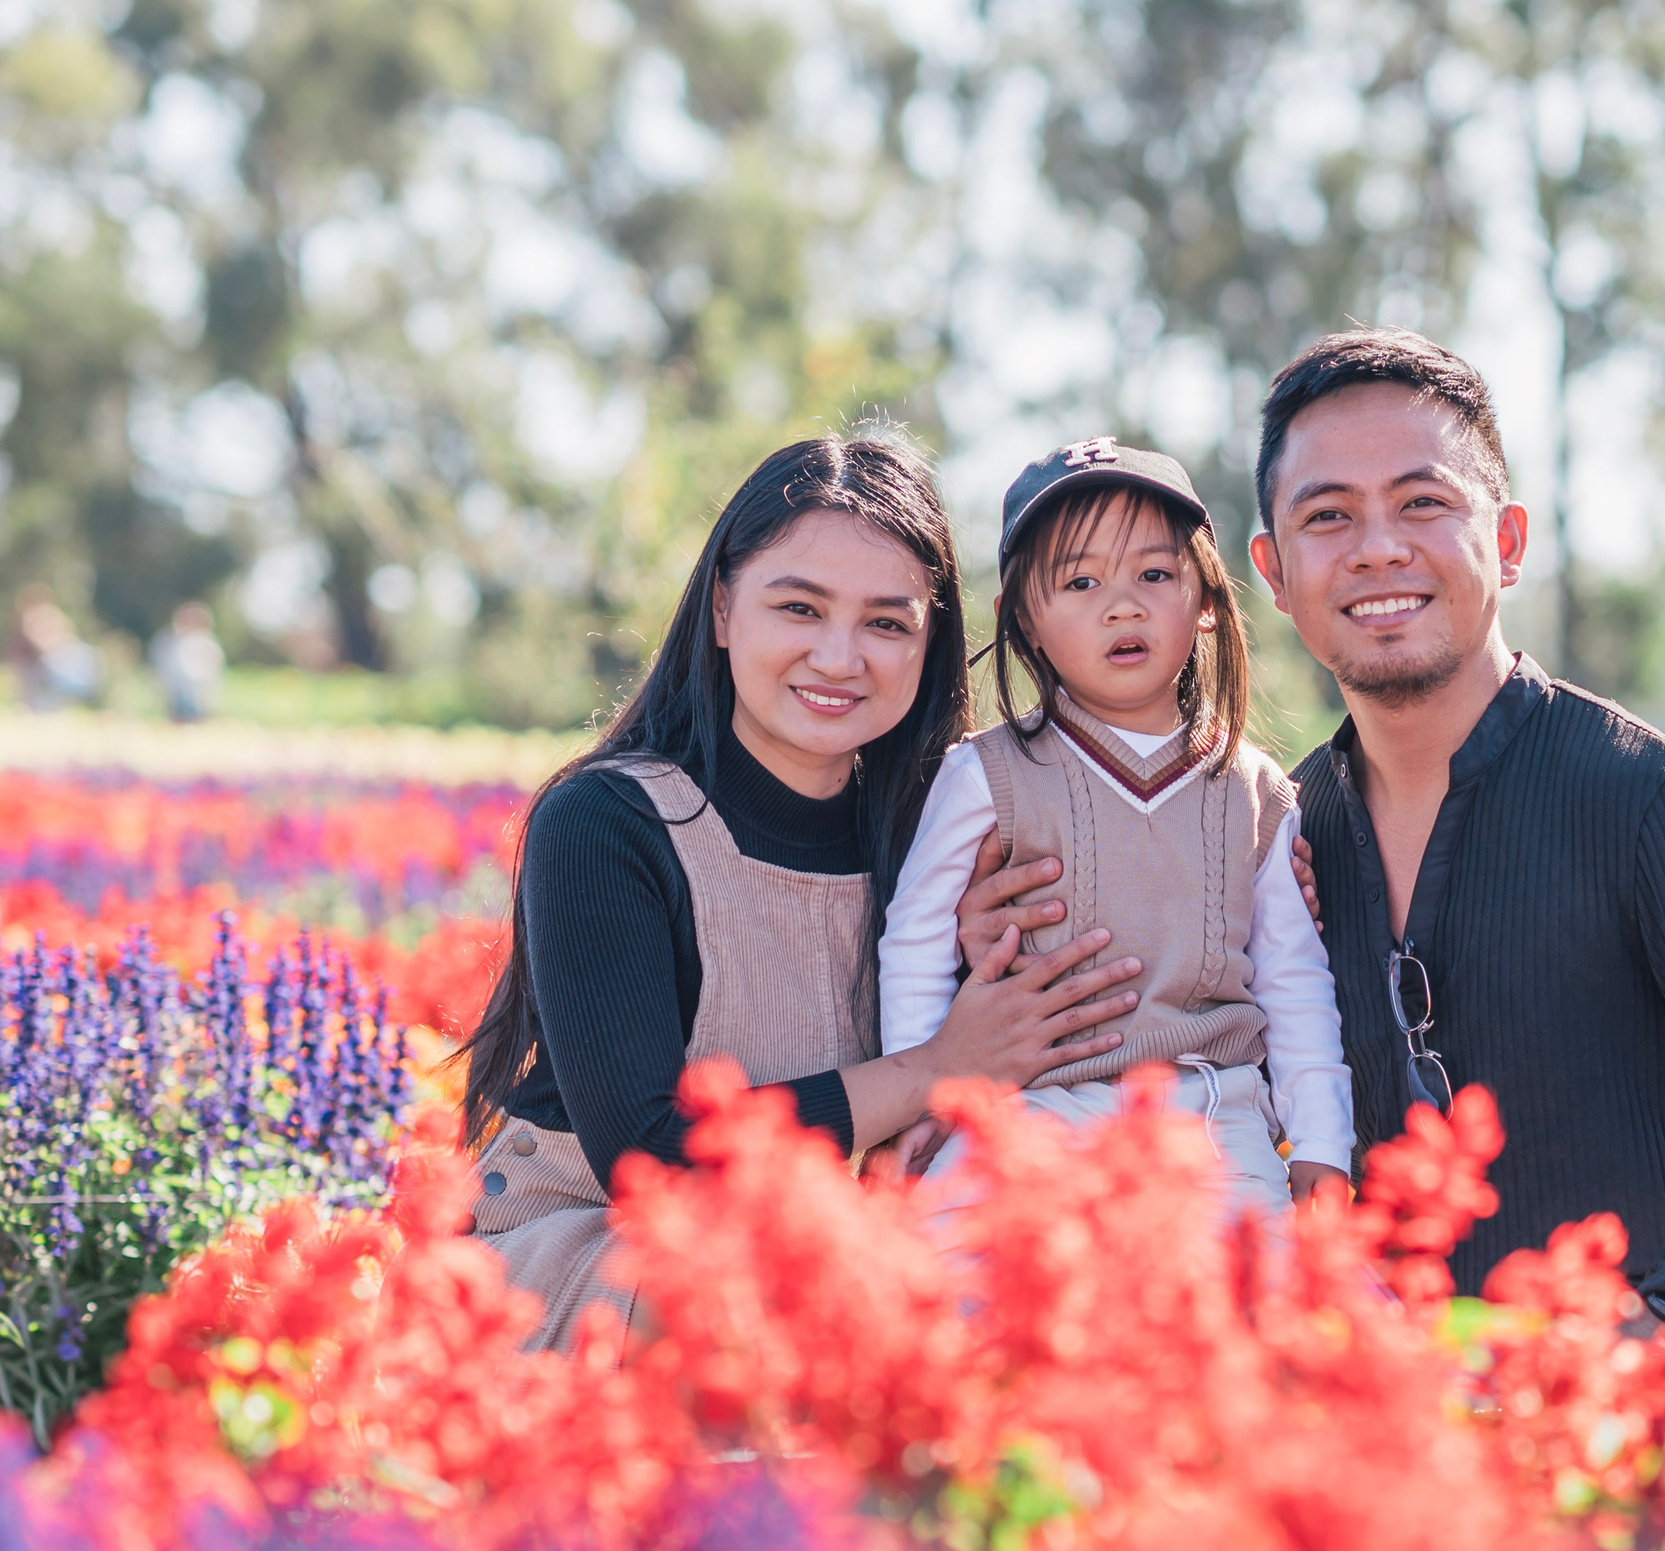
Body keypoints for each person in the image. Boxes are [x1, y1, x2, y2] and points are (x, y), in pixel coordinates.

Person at [455, 434, 1150, 1354]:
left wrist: (1271, 864)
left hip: (831, 1254)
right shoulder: (607, 823)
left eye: (887, 623)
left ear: (930, 644)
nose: (839, 655)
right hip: (613, 1256)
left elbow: (1145, 961)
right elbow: (652, 1158)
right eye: (800, 606)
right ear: (722, 610)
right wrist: (937, 1065)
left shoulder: (943, 840)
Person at [1245, 330, 1665, 1311]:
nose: (1377, 548)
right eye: (1327, 516)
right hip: (1382, 1431)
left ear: (1506, 543)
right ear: (1273, 574)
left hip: (1617, 1443)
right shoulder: (1274, 833)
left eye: (1423, 503)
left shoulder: (1649, 799)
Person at [878, 437, 1355, 1226]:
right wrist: (919, 1098)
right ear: (1023, 618)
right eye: (1080, 580)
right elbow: (916, 942)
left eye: (1155, 574)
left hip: (1211, 1120)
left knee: (1268, 1321)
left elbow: (1294, 982)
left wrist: (1322, 1149)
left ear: (1205, 598)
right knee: (951, 1305)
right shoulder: (984, 776)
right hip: (1027, 1118)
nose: (1122, 604)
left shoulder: (1255, 791)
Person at [150, 601, 225, 722]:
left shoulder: (207, 642)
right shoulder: (168, 641)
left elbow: (208, 672)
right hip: (177, 692)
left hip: (198, 694)